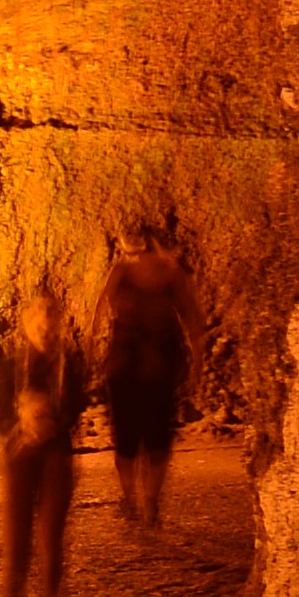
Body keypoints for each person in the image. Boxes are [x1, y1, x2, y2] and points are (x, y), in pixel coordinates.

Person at [0, 272, 92, 597]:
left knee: (51, 537)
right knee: (17, 538)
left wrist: (51, 421)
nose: (45, 326)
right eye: (38, 318)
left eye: (51, 319)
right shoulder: (9, 364)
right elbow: (0, 415)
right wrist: (22, 422)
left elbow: (76, 406)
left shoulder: (72, 363)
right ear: (26, 324)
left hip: (55, 452)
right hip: (20, 453)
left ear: (59, 323)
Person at [102, 211, 198, 533]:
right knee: (157, 437)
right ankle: (150, 502)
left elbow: (101, 313)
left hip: (127, 362)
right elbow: (191, 316)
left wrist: (94, 358)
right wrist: (197, 359)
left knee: (127, 438)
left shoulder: (121, 272)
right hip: (158, 362)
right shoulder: (171, 274)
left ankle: (131, 500)